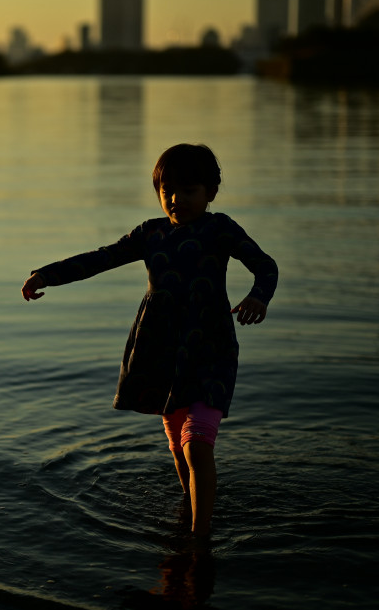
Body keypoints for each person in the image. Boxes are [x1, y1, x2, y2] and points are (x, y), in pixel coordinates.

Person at [20, 144, 278, 537]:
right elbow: (100, 258)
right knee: (177, 446)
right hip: (160, 352)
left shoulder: (220, 229)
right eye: (167, 189)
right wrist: (46, 274)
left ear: (210, 192)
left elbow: (265, 264)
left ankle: (199, 537)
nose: (176, 199)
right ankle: (191, 510)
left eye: (188, 190)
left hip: (210, 348)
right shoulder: (150, 233)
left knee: (197, 445)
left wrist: (259, 295)